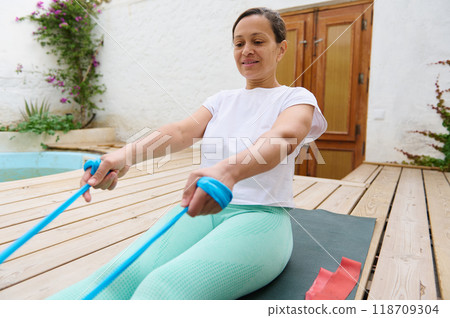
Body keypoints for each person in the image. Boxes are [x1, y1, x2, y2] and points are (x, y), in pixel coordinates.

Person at [48, 7, 327, 300]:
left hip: (261, 216)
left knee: (162, 288)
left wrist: (227, 172)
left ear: (280, 49)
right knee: (116, 276)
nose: (247, 50)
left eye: (258, 41)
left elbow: (283, 137)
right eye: (239, 43)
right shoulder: (221, 100)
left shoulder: (295, 98)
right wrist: (120, 157)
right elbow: (181, 132)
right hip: (200, 210)